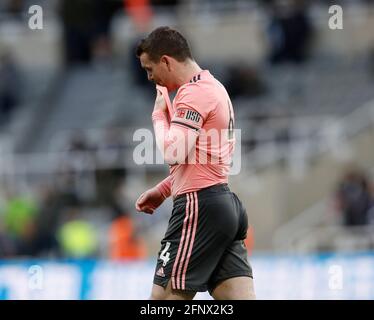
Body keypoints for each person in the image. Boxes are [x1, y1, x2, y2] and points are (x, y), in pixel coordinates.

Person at [135, 26, 255, 300]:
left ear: (166, 61)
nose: (150, 77)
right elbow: (201, 159)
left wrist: (158, 115)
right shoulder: (216, 88)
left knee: (162, 300)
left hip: (198, 206)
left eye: (149, 68)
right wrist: (164, 190)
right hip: (224, 206)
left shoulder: (193, 92)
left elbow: (173, 152)